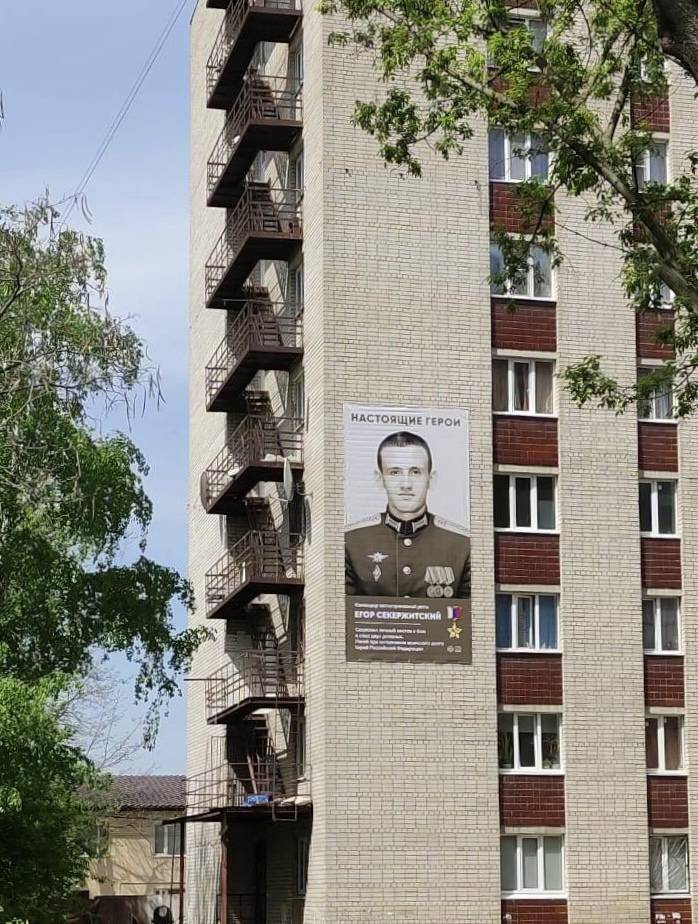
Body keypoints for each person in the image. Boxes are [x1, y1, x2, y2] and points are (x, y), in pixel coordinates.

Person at [345, 431, 470, 598]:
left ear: (431, 479)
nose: (406, 485)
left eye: (415, 472)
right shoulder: (352, 542)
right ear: (380, 479)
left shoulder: (462, 545)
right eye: (395, 472)